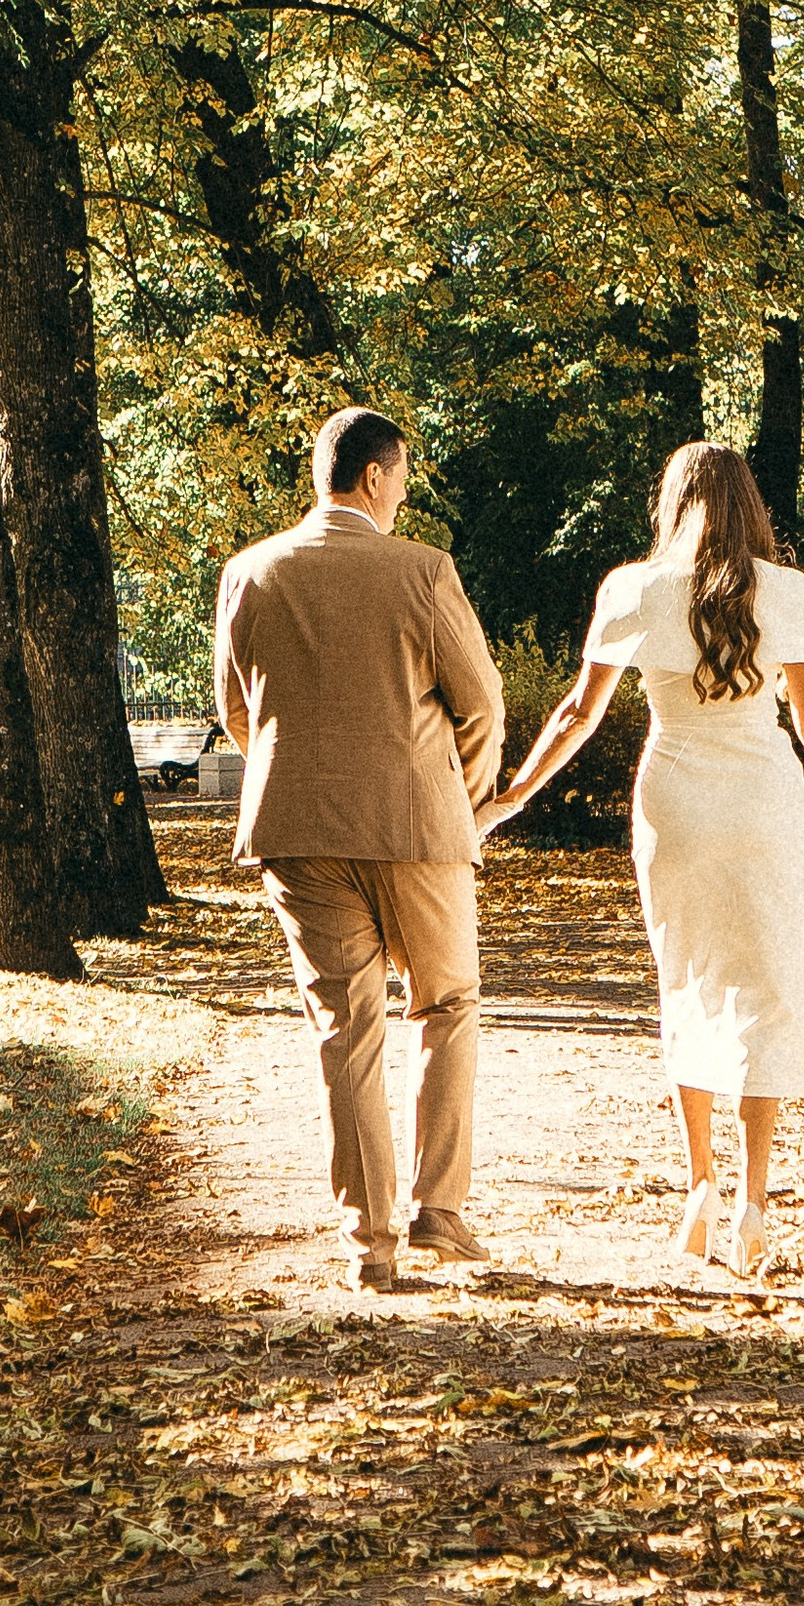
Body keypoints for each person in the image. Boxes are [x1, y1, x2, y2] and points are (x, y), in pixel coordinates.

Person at [478, 440, 804, 1278]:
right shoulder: (787, 591)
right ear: (750, 504)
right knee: (769, 985)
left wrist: (514, 794)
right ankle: (755, 1204)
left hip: (675, 805)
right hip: (763, 805)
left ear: (670, 502)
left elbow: (579, 712)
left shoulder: (634, 589)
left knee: (684, 975)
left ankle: (699, 1188)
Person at [214, 407, 506, 1293]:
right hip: (417, 826)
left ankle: (370, 1240)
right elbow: (482, 700)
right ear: (375, 477)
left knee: (346, 1031)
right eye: (403, 474)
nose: (404, 489)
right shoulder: (422, 570)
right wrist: (465, 794)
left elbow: (237, 711)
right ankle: (439, 1209)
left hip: (298, 831)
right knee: (447, 1002)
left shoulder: (250, 573)